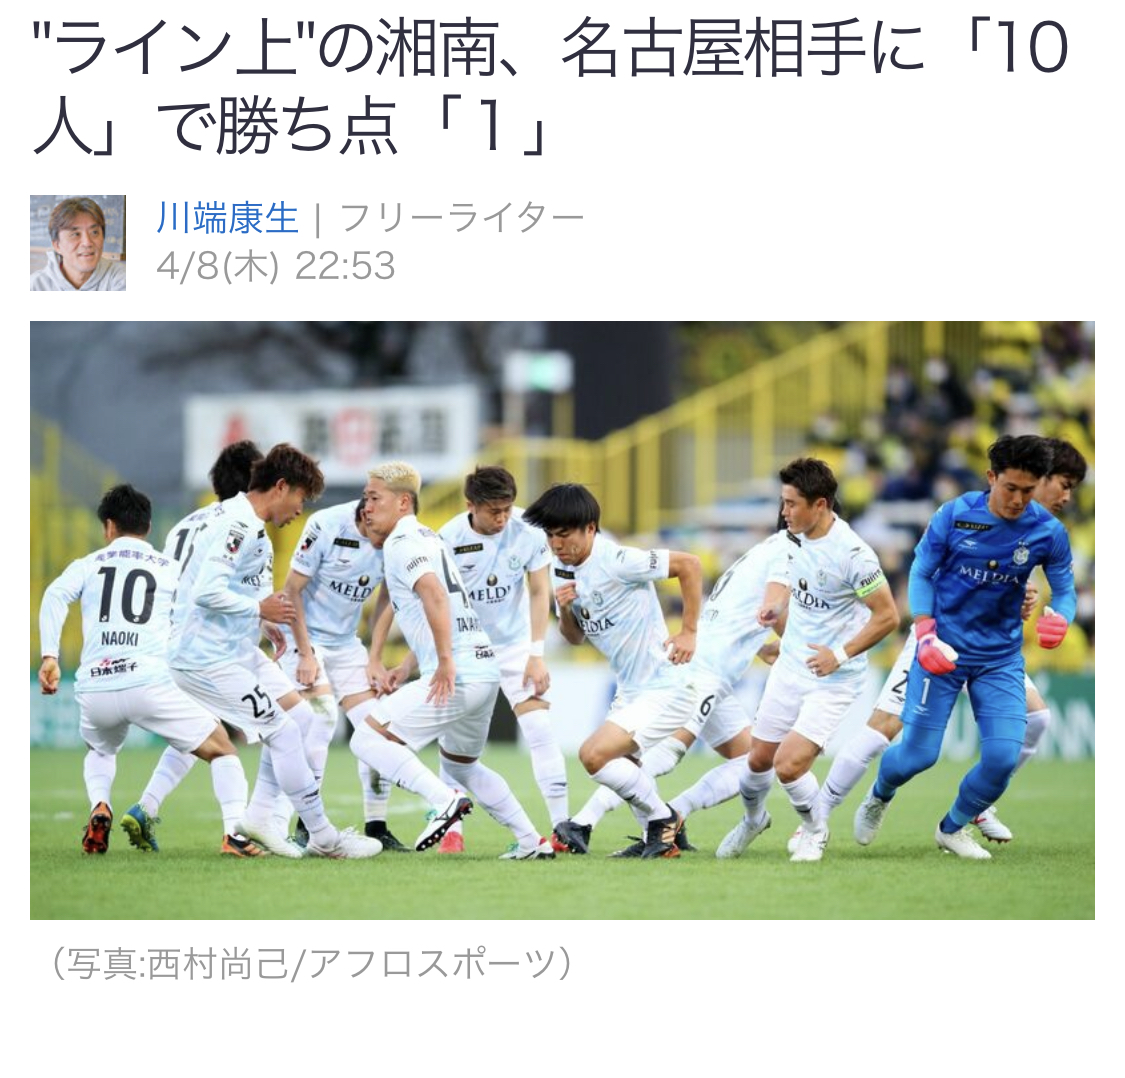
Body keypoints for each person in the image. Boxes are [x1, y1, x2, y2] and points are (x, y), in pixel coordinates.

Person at [803, 437, 1088, 850]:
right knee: (912, 750)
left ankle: (953, 826)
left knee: (1007, 752)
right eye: (1011, 488)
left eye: (1027, 491)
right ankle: (872, 797)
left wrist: (1060, 617)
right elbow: (921, 572)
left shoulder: (1048, 532)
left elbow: (1063, 590)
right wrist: (925, 631)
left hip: (998, 657)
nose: (1018, 500)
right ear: (991, 478)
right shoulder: (956, 515)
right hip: (940, 646)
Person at [167, 443, 383, 859]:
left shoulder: (250, 525)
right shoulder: (238, 526)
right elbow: (205, 592)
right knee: (283, 732)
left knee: (303, 718)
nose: (300, 509)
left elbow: (236, 590)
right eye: (300, 497)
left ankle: (261, 818)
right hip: (205, 658)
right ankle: (324, 838)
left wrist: (264, 623)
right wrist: (258, 609)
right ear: (281, 487)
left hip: (235, 649)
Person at [347, 461, 555, 859]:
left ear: (403, 502)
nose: (366, 507)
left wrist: (443, 662)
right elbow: (434, 602)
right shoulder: (430, 537)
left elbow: (435, 596)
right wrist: (405, 663)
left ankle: (443, 801)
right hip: (483, 670)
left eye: (373, 498)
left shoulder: (403, 542)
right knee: (463, 766)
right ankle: (532, 841)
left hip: (456, 673)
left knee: (366, 739)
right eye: (365, 499)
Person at [37, 485, 254, 855]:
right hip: (149, 682)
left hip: (95, 687)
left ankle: (100, 805)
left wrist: (49, 656)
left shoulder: (88, 565)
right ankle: (234, 834)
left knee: (100, 750)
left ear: (108, 526)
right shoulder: (169, 568)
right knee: (222, 749)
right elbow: (197, 611)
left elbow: (55, 595)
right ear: (148, 526)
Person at [565, 526, 791, 857]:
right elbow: (774, 608)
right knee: (661, 753)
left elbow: (739, 613)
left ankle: (669, 818)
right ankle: (586, 821)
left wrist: (764, 646)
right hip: (705, 670)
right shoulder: (789, 554)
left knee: (755, 760)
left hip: (713, 667)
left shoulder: (761, 553)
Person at [717, 458, 898, 863]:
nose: (784, 512)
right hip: (790, 667)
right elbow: (788, 579)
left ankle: (815, 830)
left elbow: (888, 616)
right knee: (757, 761)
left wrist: (840, 654)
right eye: (782, 502)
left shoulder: (854, 554)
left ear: (820, 505)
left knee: (788, 764)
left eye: (791, 504)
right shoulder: (792, 537)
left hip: (833, 677)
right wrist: (775, 607)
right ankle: (752, 821)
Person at [522, 483, 704, 859]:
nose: (556, 544)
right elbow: (574, 638)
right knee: (624, 770)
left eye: (564, 534)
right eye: (551, 536)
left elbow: (690, 565)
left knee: (593, 755)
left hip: (665, 685)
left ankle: (664, 818)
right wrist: (566, 610)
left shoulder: (618, 559)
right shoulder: (561, 570)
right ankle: (659, 840)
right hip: (631, 689)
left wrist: (688, 631)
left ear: (590, 528)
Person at [120, 440, 265, 851]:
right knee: (269, 731)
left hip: (170, 640)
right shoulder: (241, 525)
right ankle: (243, 830)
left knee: (199, 733)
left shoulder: (185, 524)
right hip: (208, 646)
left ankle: (145, 807)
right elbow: (227, 590)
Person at [433, 465, 567, 852]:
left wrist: (536, 653)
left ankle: (563, 830)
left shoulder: (529, 532)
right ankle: (452, 829)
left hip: (515, 647)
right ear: (470, 505)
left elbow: (540, 592)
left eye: (507, 509)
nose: (503, 518)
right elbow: (437, 601)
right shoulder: (447, 539)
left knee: (540, 729)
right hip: (466, 647)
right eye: (494, 511)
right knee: (455, 743)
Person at [278, 498, 407, 850]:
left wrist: (375, 658)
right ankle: (307, 824)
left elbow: (387, 598)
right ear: (366, 515)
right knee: (320, 721)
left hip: (346, 645)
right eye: (381, 533)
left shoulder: (393, 537)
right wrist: (306, 654)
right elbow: (291, 590)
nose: (385, 540)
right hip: (304, 639)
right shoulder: (326, 524)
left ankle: (377, 825)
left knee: (377, 729)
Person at [30, 197, 126, 291]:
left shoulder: (121, 279)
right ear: (57, 245)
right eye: (75, 234)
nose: (87, 243)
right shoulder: (36, 286)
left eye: (94, 232)